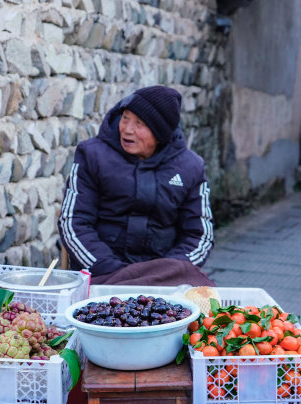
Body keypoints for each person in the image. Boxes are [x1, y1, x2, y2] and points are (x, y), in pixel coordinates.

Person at [57, 85, 214, 286]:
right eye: (125, 118)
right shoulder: (92, 155)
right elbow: (73, 222)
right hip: (103, 274)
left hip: (164, 278)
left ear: (161, 133)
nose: (127, 129)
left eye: (139, 123)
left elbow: (199, 235)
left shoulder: (191, 167)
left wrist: (169, 269)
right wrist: (112, 270)